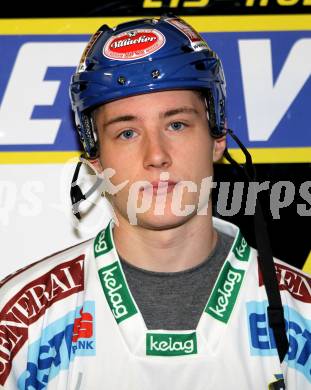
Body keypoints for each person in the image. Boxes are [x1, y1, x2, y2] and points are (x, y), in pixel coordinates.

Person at [0, 15, 310, 390]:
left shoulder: (302, 314)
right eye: (127, 132)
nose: (156, 155)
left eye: (176, 124)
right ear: (95, 157)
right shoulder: (20, 320)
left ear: (217, 136)